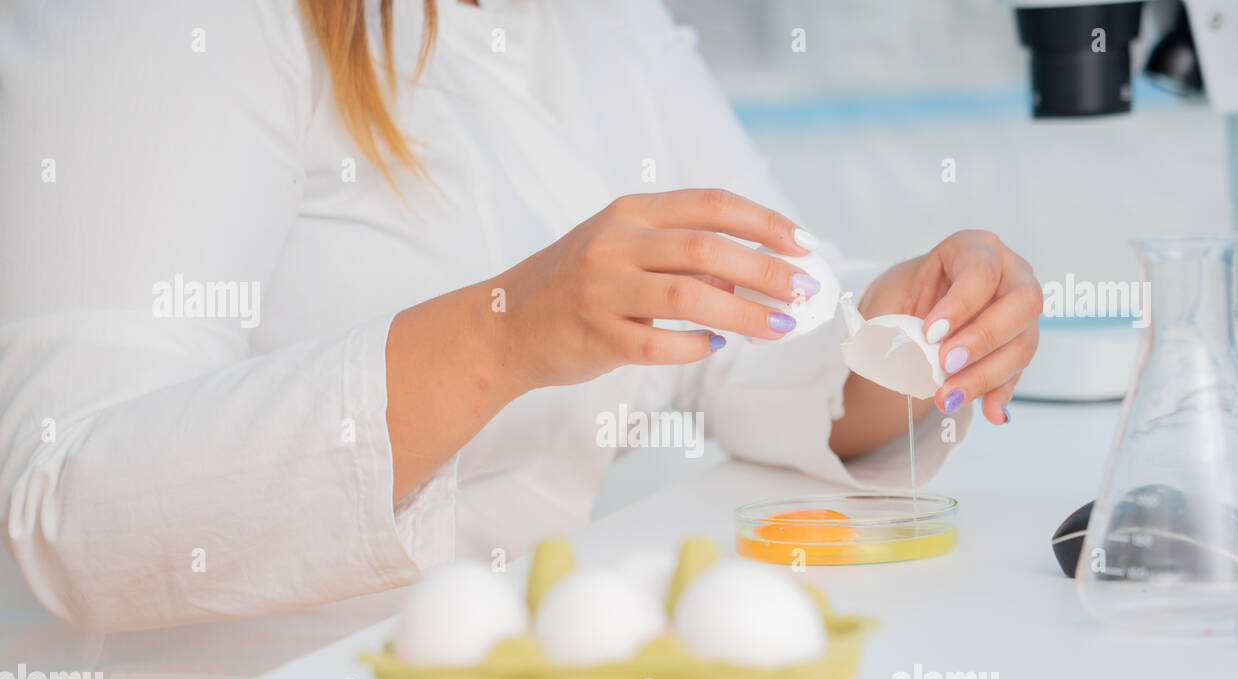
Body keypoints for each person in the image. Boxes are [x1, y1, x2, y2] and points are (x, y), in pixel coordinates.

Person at [0, 0, 1042, 634]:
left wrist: (904, 330)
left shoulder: (593, 21)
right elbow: (70, 508)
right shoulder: (165, 25)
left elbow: (747, 334)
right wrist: (507, 334)